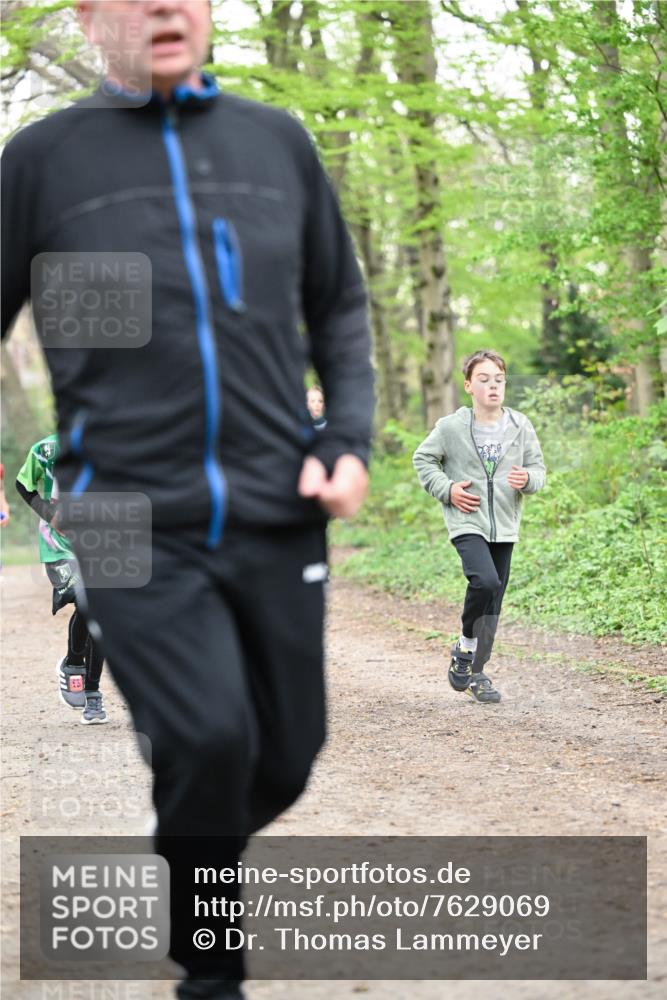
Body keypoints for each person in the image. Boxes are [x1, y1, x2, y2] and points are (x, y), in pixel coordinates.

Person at [1, 2, 373, 996]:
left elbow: (336, 302)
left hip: (273, 501)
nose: (167, 5)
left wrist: (345, 437)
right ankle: (212, 975)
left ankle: (187, 837)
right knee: (210, 734)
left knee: (285, 753)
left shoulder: (274, 143)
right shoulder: (43, 162)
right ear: (87, 15)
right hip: (120, 512)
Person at [413, 349, 546, 704]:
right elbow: (423, 459)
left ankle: (477, 671)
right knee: (484, 581)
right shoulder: (451, 427)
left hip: (505, 523)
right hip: (466, 519)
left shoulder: (520, 426)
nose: (493, 387)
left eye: (499, 380)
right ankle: (465, 645)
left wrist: (527, 479)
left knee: (494, 600)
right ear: (469, 386)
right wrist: (448, 490)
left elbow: (539, 471)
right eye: (484, 380)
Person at [15, 434, 108, 724]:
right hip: (58, 547)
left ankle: (92, 693)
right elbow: (23, 484)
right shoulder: (46, 448)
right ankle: (73, 662)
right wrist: (50, 514)